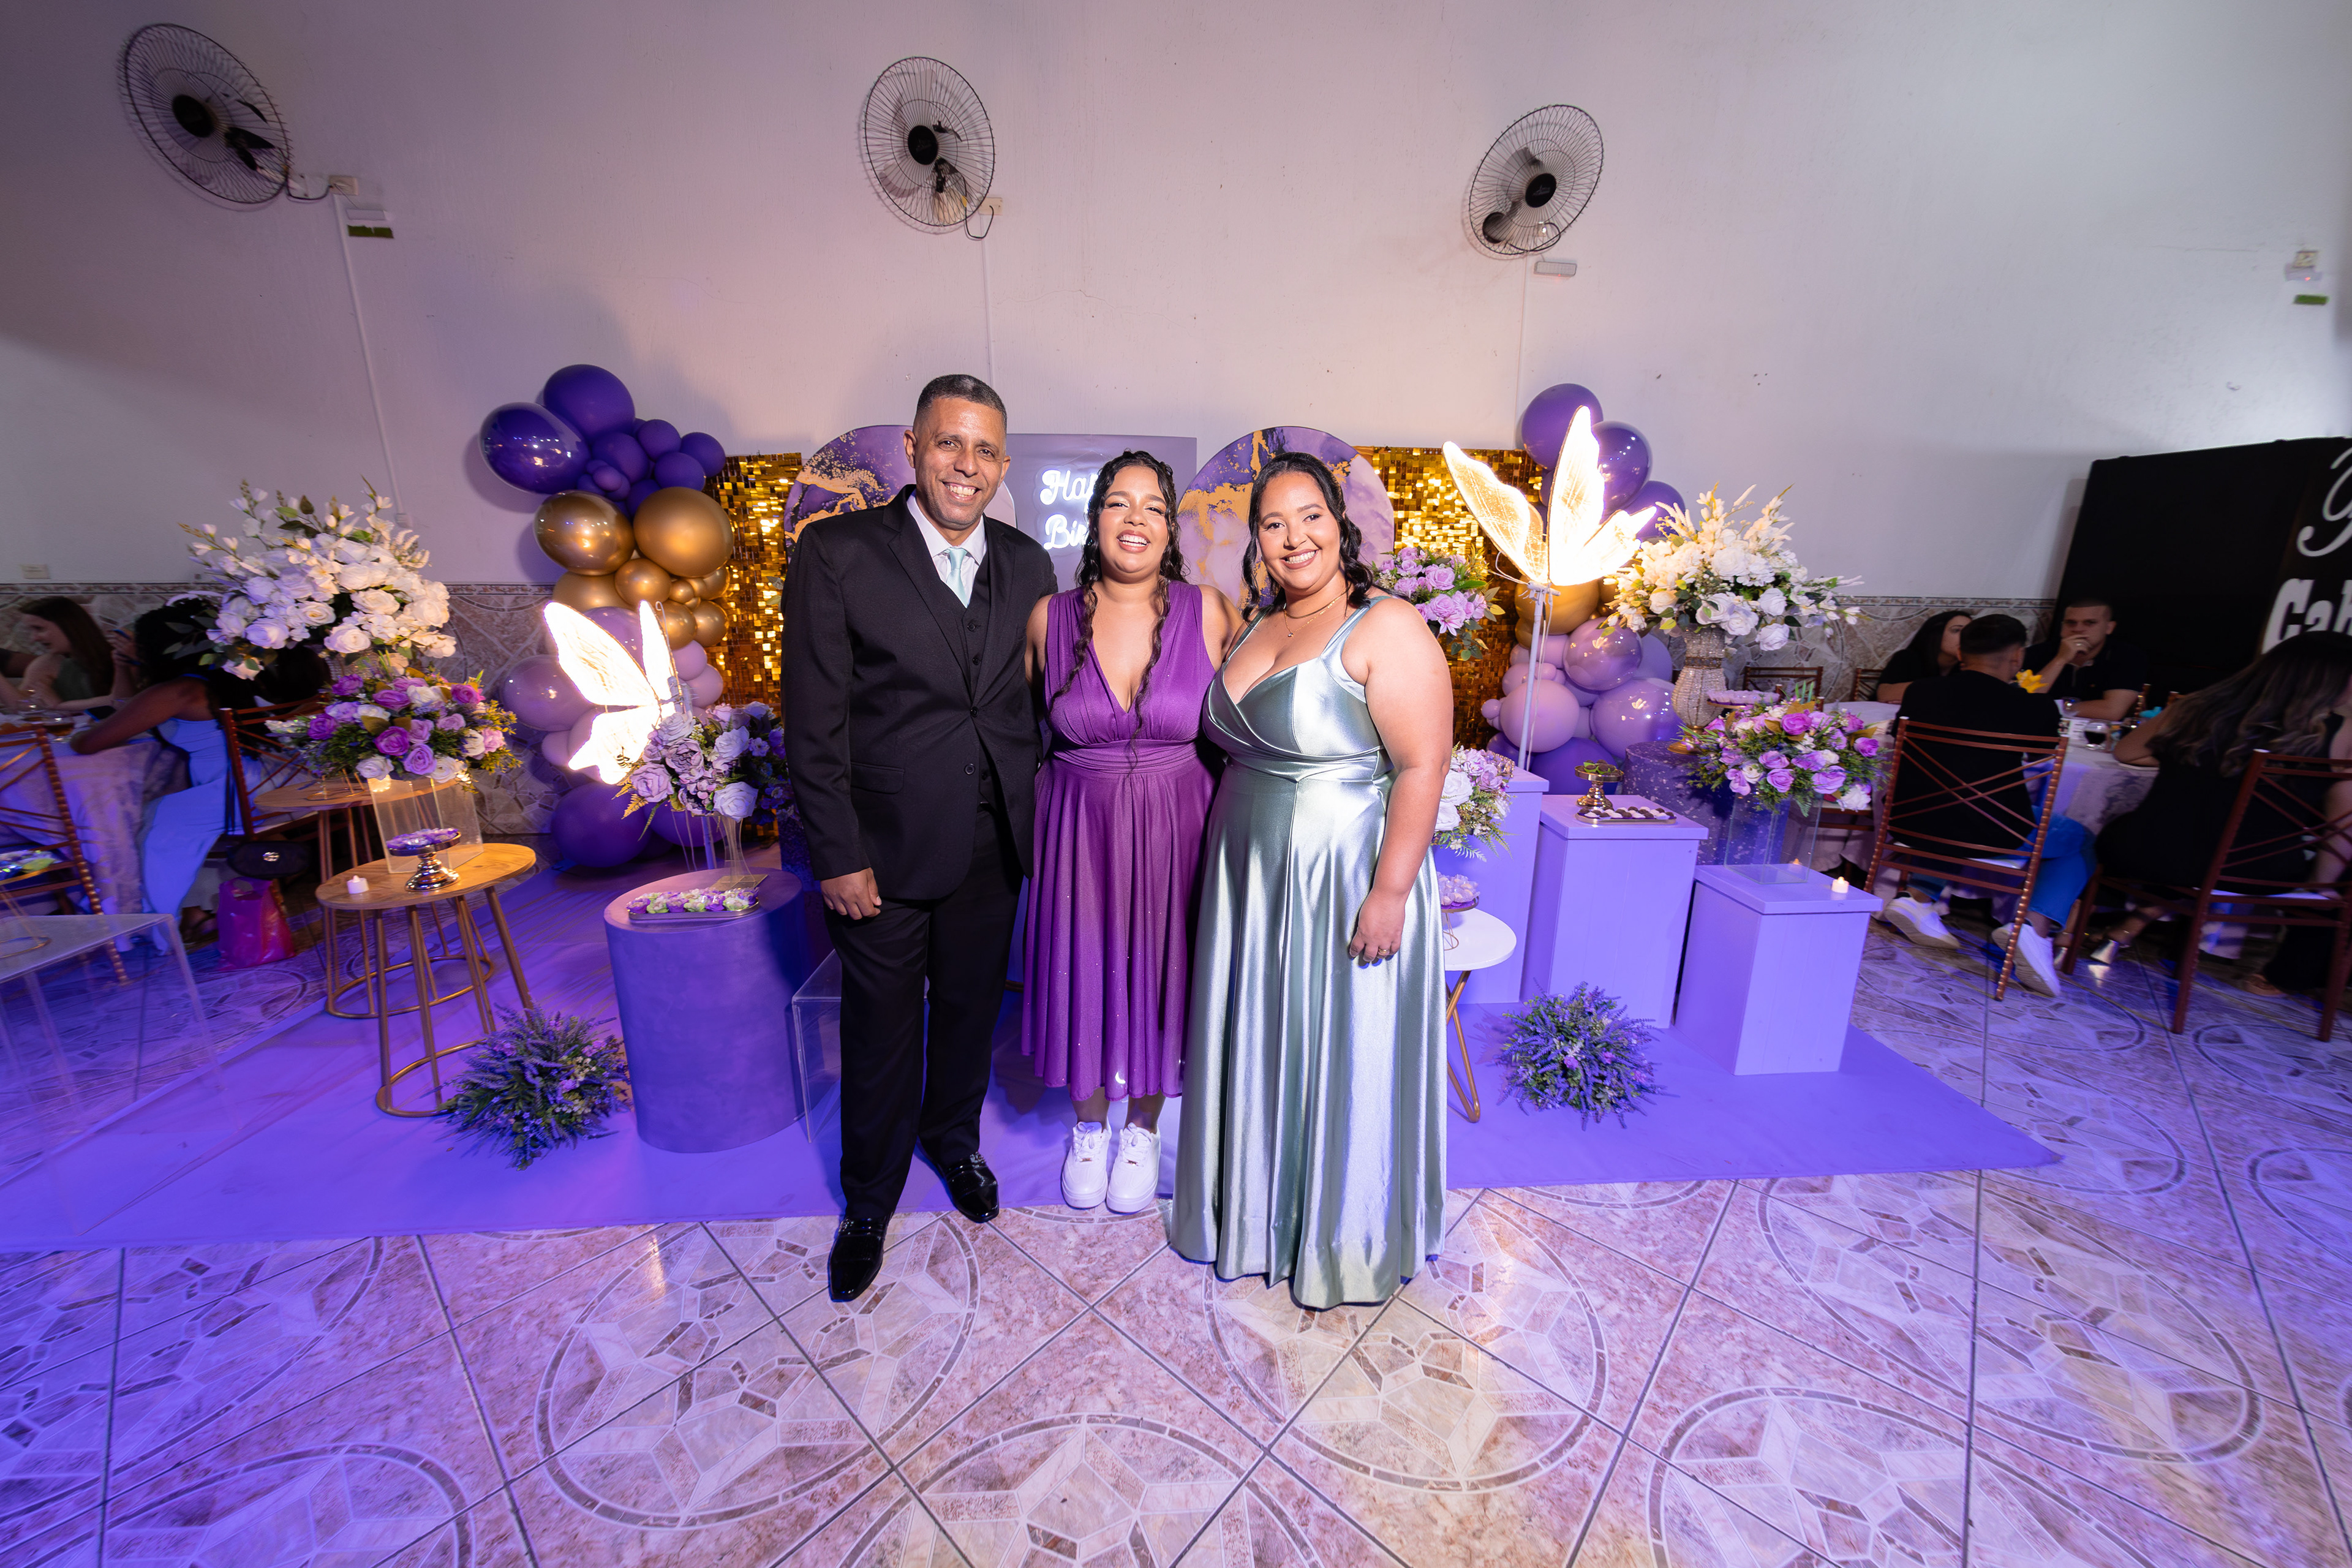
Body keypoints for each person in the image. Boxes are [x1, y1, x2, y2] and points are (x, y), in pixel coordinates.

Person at [784, 373, 1058, 1303]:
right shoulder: (838, 552)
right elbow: (813, 719)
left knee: (974, 1013)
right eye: (949, 443)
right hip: (882, 851)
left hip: (993, 842)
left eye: (984, 450)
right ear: (912, 448)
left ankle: (954, 1140)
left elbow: (1033, 704)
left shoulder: (1028, 562)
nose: (965, 465)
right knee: (881, 1030)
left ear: (1004, 465)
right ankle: (869, 1200)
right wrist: (838, 854)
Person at [1170, 451, 1455, 1309]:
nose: (1294, 538)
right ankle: (1251, 1214)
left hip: (1343, 875)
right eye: (1273, 523)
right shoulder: (1257, 623)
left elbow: (1423, 766)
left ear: (1341, 525)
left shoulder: (1385, 624)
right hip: (1251, 876)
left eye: (1311, 517)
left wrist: (1390, 893)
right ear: (1256, 540)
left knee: (1337, 1049)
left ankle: (1341, 1235)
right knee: (1261, 1040)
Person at [1022, 451, 1242, 1213]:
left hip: (1182, 825)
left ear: (1170, 526)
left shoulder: (1210, 611)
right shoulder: (1048, 618)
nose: (1136, 518)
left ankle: (1143, 1128)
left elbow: (1252, 720)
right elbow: (1023, 731)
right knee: (1082, 963)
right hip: (1077, 828)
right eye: (1119, 502)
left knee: (1162, 968)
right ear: (1096, 520)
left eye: (1153, 505)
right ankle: (1089, 1127)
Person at [2092, 631, 2352, 997]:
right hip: (2253, 871)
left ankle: (2123, 922)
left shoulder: (2196, 706)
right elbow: (2343, 826)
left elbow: (2126, 752)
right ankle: (2289, 974)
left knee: (2181, 833)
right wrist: (2318, 893)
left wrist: (2194, 762)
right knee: (2240, 846)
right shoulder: (2338, 734)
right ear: (2329, 680)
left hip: (2146, 855)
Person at [1876, 613, 2098, 996]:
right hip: (1995, 832)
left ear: (1961, 653)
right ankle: (2034, 929)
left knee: (1955, 805)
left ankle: (1919, 898)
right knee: (2081, 840)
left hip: (1912, 819)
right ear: (2017, 657)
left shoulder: (1921, 692)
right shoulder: (2033, 707)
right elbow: (2041, 757)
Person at [68, 602, 226, 938]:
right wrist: (124, 667)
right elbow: (127, 711)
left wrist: (78, 732)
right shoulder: (222, 676)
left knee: (142, 823)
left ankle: (160, 925)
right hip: (258, 778)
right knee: (156, 808)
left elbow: (89, 744)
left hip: (231, 792)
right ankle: (190, 911)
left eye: (138, 642)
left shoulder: (177, 692)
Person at [2024, 595, 2147, 720]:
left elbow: (2112, 711)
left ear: (2109, 628)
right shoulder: (2037, 653)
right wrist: (2060, 660)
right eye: (2071, 623)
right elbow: (2024, 702)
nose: (2078, 629)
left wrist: (2050, 707)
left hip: (2097, 731)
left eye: (2090, 623)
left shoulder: (2127, 655)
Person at [2, 597, 129, 714]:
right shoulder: (47, 664)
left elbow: (120, 700)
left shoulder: (119, 655)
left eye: (39, 629)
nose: (33, 638)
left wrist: (60, 706)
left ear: (68, 625)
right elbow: (22, 706)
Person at [1874, 609, 1972, 704]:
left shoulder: (1972, 664)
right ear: (1936, 634)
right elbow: (1885, 695)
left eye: (1970, 631)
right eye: (1957, 630)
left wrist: (1918, 696)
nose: (1966, 636)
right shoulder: (1908, 657)